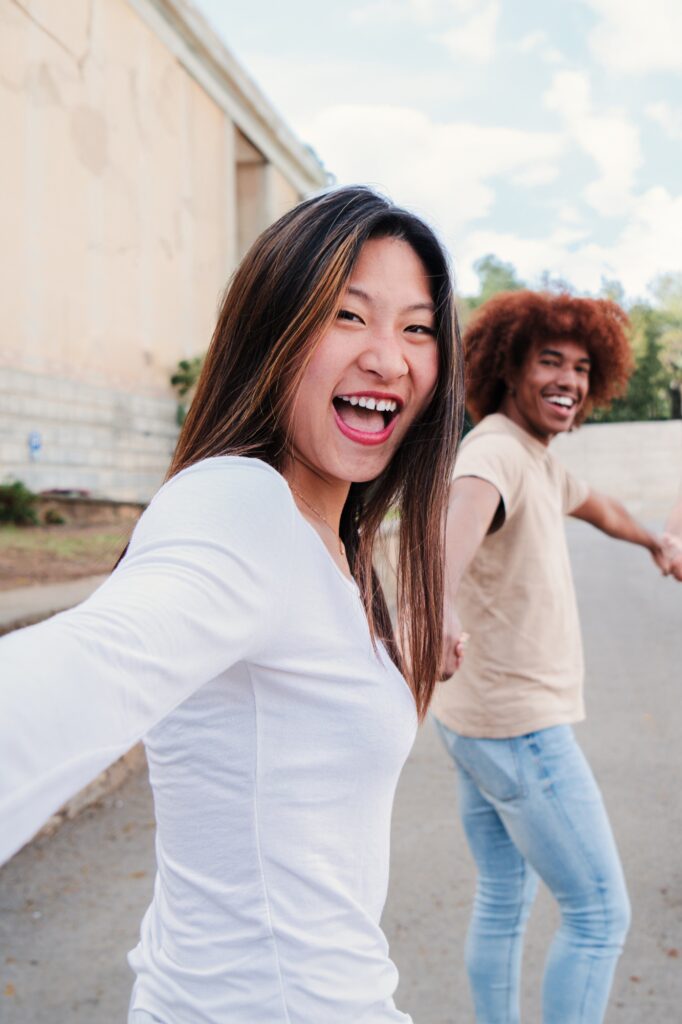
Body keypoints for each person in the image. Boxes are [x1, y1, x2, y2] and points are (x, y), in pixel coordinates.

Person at [0, 186, 464, 1024]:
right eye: (348, 315)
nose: (390, 358)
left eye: (418, 327)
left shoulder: (334, 543)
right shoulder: (241, 506)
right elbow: (86, 667)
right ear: (271, 335)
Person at [432, 290, 673, 1024]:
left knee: (504, 896)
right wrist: (435, 601)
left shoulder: (535, 456)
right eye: (549, 361)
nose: (568, 379)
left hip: (472, 720)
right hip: (519, 729)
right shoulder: (497, 451)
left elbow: (601, 507)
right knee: (600, 914)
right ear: (509, 367)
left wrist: (656, 542)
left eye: (580, 366)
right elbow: (456, 522)